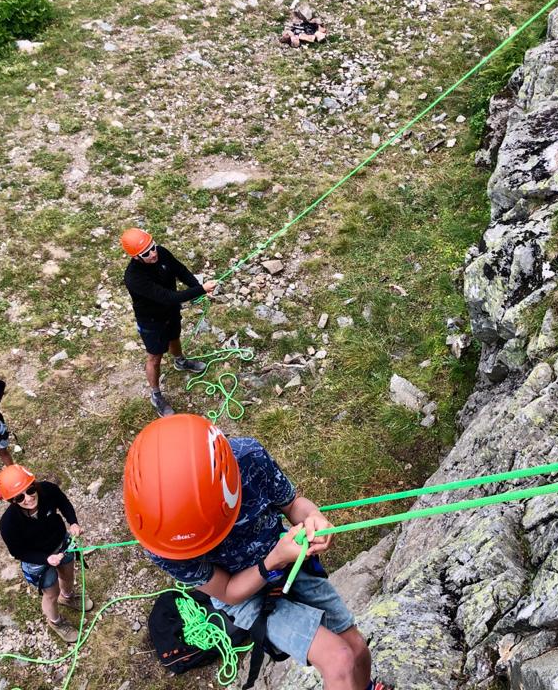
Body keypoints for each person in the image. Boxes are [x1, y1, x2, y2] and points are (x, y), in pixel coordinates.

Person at [123, 414, 394, 690]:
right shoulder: (162, 543)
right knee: (340, 660)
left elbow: (292, 505)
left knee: (357, 648)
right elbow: (228, 591)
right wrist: (273, 560)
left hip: (288, 561)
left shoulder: (249, 459)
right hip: (246, 592)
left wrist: (314, 518)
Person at [121, 227, 218, 417]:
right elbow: (167, 297)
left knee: (175, 336)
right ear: (135, 257)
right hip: (151, 319)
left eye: (153, 247)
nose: (153, 253)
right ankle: (156, 395)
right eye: (146, 253)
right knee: (154, 357)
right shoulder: (134, 277)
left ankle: (180, 361)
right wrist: (201, 290)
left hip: (170, 312)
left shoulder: (162, 253)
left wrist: (197, 287)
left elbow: (180, 270)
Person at [0, 464, 94, 643]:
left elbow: (64, 503)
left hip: (61, 544)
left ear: (35, 485)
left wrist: (73, 522)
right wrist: (46, 559)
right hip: (37, 560)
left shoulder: (48, 490)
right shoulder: (9, 524)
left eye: (31, 490)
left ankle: (67, 597)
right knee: (50, 593)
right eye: (20, 497)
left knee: (68, 574)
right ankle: (56, 622)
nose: (28, 498)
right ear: (12, 501)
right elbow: (18, 551)